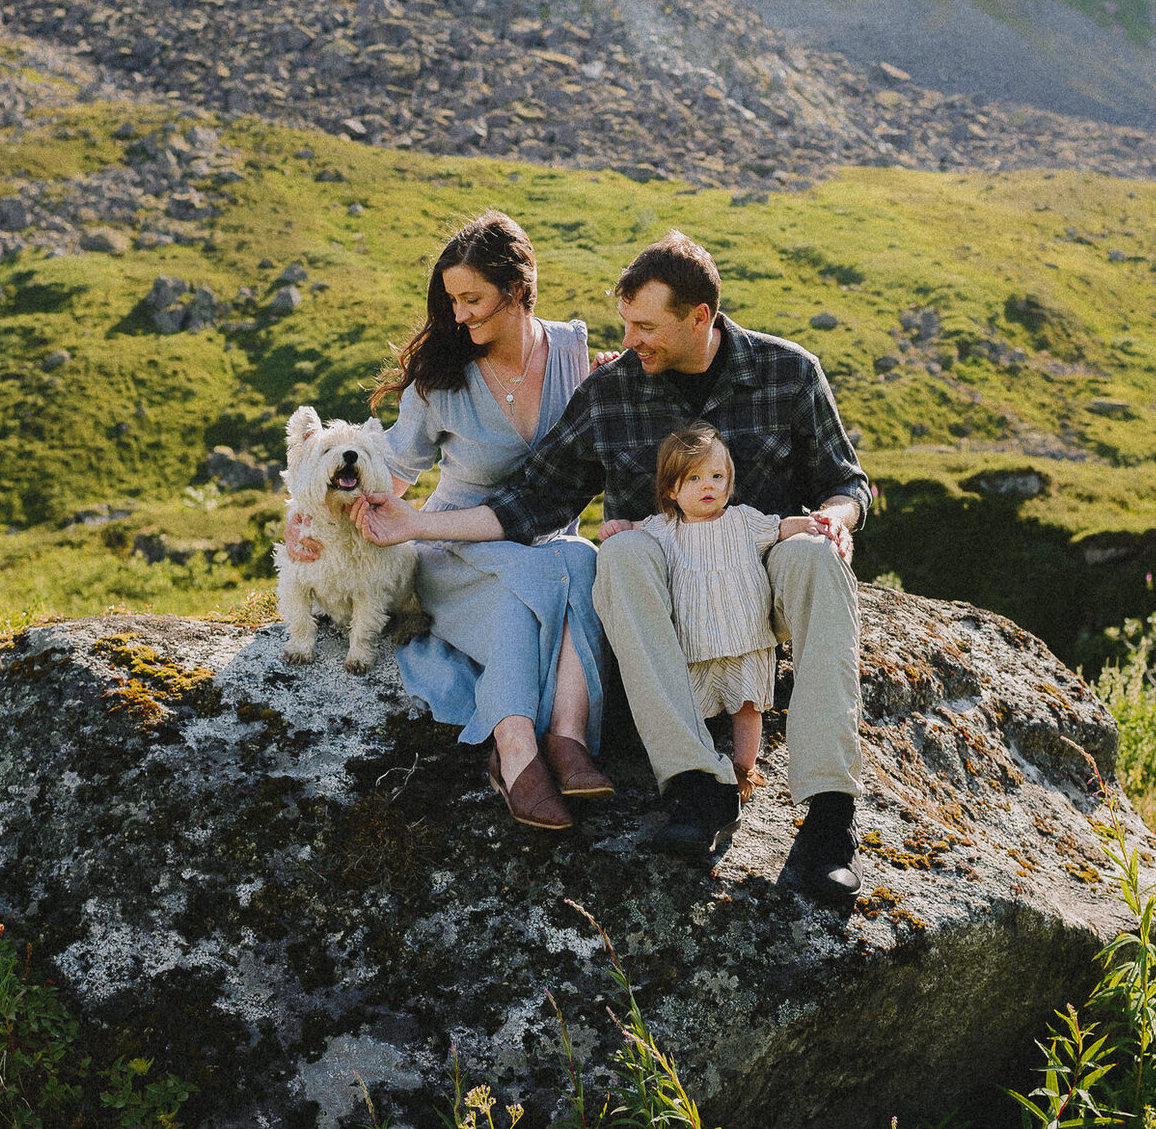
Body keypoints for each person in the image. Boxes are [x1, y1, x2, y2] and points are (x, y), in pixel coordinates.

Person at [356, 230, 871, 905]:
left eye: (646, 327)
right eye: (625, 322)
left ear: (700, 317)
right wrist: (413, 523)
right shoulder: (612, 391)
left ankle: (830, 823)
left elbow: (846, 481)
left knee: (818, 556)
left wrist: (838, 517)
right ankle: (692, 787)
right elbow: (529, 502)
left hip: (763, 571)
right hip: (664, 596)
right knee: (621, 551)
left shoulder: (789, 371)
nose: (628, 341)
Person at [285, 210, 610, 832]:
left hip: (547, 546)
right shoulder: (440, 380)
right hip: (452, 546)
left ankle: (554, 743)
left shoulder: (574, 351)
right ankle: (522, 747)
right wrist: (311, 522)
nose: (459, 316)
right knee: (554, 569)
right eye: (452, 301)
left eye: (473, 299)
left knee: (576, 557)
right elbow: (389, 478)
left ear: (518, 288)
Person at [634, 423, 829, 800]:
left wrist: (808, 523)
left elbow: (779, 528)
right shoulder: (664, 529)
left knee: (747, 707)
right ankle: (702, 766)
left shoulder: (743, 519)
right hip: (694, 643)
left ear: (730, 481)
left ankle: (745, 767)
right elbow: (634, 533)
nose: (708, 485)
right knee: (693, 705)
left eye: (717, 476)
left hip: (745, 638)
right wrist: (615, 527)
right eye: (694, 478)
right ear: (672, 489)